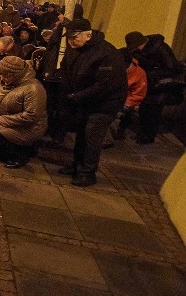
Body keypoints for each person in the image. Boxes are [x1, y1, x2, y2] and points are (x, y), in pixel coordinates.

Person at [58, 19, 127, 187]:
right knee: (81, 132)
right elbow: (67, 70)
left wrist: (77, 96)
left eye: (74, 37)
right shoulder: (77, 49)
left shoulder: (106, 53)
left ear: (88, 35)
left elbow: (104, 85)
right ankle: (76, 165)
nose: (70, 41)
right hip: (84, 101)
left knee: (92, 135)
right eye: (69, 38)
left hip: (104, 104)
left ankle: (88, 172)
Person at [0, 56, 48, 168]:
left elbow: (31, 116)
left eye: (6, 76)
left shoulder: (33, 88)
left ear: (16, 75)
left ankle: (22, 154)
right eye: (1, 75)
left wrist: (2, 120)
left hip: (28, 127)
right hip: (4, 120)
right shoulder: (1, 79)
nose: (2, 79)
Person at [125, 31, 183, 144]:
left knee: (153, 107)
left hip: (162, 85)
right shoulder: (138, 50)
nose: (137, 50)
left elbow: (172, 68)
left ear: (142, 43)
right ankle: (143, 133)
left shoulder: (160, 48)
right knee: (144, 106)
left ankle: (148, 135)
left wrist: (151, 74)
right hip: (149, 83)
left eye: (137, 47)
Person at [114, 49, 147, 140]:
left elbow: (138, 93)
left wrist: (127, 104)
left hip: (127, 99)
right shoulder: (115, 67)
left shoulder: (138, 73)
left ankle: (120, 130)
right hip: (114, 96)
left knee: (127, 112)